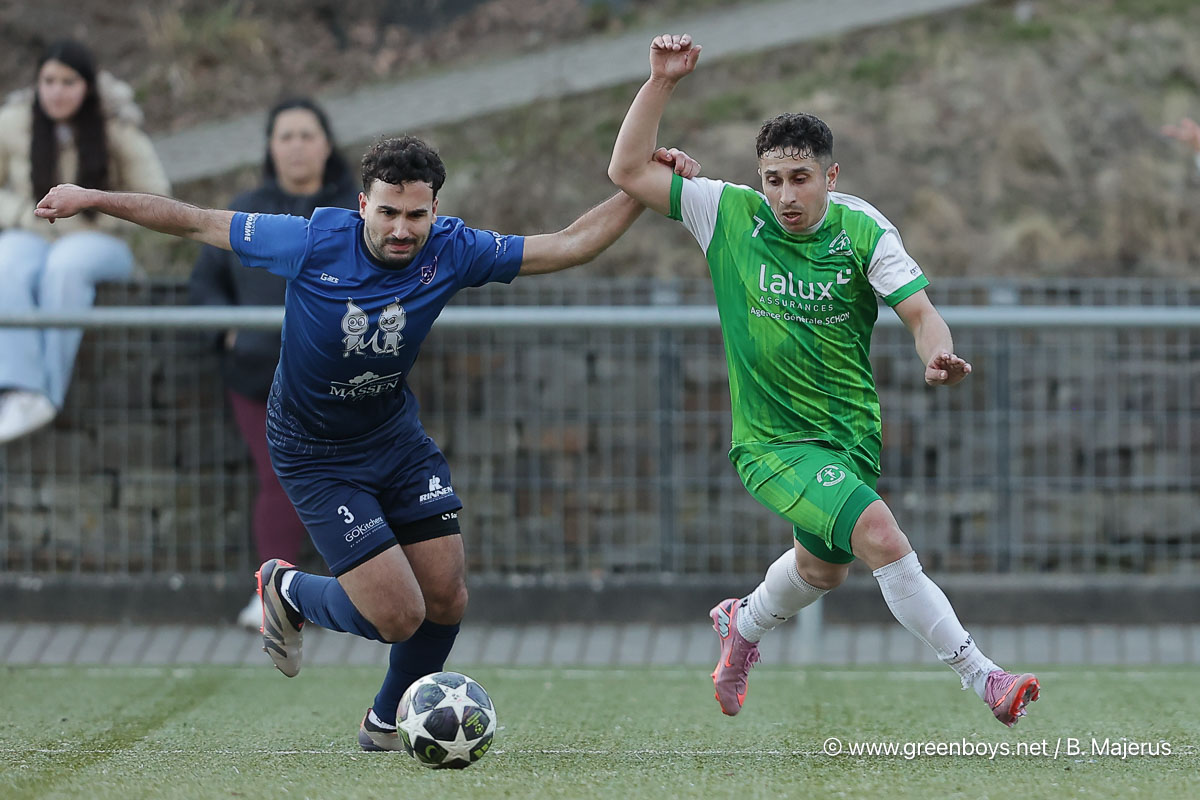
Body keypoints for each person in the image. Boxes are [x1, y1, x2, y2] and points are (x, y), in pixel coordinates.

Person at [35, 135, 699, 750]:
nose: (401, 229)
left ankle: (384, 721)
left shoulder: (453, 248)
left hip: (394, 439)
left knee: (447, 596)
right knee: (399, 616)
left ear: (435, 210)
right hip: (314, 452)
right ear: (362, 206)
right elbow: (191, 221)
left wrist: (643, 188)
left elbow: (571, 244)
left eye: (416, 215)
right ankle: (289, 590)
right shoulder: (310, 240)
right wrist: (93, 197)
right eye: (387, 213)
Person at [608, 33, 1039, 727]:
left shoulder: (862, 230)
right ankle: (985, 676)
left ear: (831, 177)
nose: (785, 195)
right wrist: (661, 81)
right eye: (773, 179)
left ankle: (743, 622)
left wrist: (938, 354)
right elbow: (627, 168)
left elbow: (922, 314)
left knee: (822, 571)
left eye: (800, 178)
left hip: (850, 436)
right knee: (883, 537)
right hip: (772, 443)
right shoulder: (727, 213)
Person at [188, 98, 360, 629]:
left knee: (355, 484)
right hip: (257, 375)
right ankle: (273, 596)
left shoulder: (355, 212)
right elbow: (204, 283)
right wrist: (229, 330)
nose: (297, 146)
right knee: (279, 478)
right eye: (286, 136)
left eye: (307, 135)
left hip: (339, 379)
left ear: (326, 144)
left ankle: (365, 595)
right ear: (270, 147)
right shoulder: (246, 211)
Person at [0, 39, 169, 443]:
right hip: (32, 230)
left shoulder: (116, 126)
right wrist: (23, 212)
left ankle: (47, 393)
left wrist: (97, 209)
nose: (56, 91)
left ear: (88, 86)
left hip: (100, 239)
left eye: (68, 82)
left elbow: (156, 193)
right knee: (6, 260)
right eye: (49, 81)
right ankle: (21, 388)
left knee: (67, 266)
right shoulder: (13, 121)